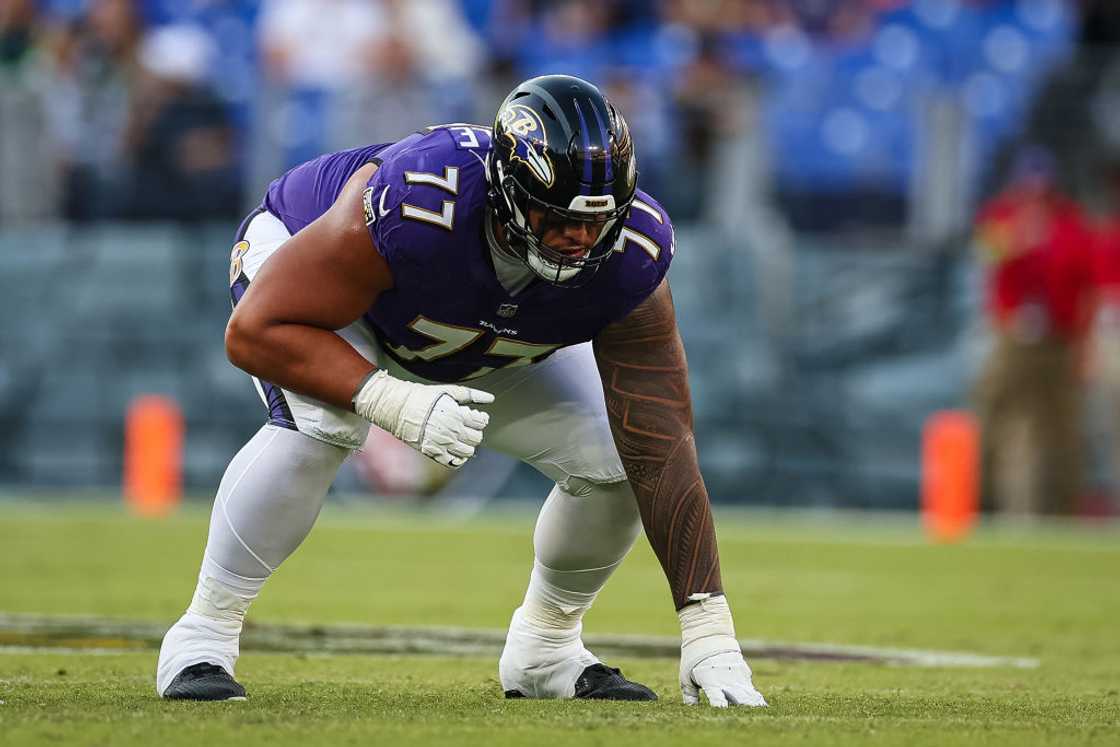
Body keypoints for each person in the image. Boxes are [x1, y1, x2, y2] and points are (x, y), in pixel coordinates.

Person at [155, 74, 767, 709]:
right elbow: (256, 330)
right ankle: (203, 636)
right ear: (506, 192)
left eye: (595, 221)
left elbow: (661, 441)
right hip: (323, 285)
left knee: (616, 462)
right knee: (325, 426)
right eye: (556, 219)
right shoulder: (420, 202)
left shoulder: (632, 252)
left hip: (470, 331)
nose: (578, 240)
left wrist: (707, 629)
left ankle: (546, 649)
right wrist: (391, 400)